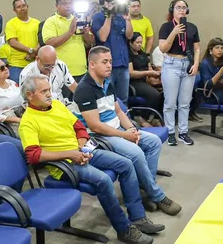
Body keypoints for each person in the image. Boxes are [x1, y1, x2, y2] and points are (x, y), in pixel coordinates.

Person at [20, 75, 161, 244]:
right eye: (44, 91)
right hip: (65, 165)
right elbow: (34, 156)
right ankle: (124, 229)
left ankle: (138, 217)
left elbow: (79, 127)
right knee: (103, 180)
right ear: (29, 95)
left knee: (126, 164)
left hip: (82, 152)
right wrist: (71, 154)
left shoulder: (56, 105)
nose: (49, 94)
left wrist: (81, 147)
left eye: (49, 90)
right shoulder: (28, 122)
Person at [76, 47, 180, 215]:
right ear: (92, 64)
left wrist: (132, 129)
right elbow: (95, 126)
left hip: (117, 130)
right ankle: (156, 195)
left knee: (152, 142)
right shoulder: (84, 89)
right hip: (99, 137)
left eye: (110, 61)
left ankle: (145, 190)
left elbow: (118, 111)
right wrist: (125, 135)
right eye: (105, 62)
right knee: (136, 153)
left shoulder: (107, 82)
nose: (110, 65)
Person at [158, 0, 200, 146]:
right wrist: (174, 33)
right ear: (172, 10)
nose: (181, 10)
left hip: (187, 64)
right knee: (170, 102)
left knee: (185, 102)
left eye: (184, 8)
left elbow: (197, 48)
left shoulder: (192, 27)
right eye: (178, 7)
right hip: (171, 64)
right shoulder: (166, 27)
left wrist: (196, 64)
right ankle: (170, 132)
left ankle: (183, 132)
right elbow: (163, 48)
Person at [90, 0, 134, 106]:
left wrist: (128, 20)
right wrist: (108, 16)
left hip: (123, 63)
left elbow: (129, 36)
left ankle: (124, 122)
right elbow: (102, 37)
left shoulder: (121, 16)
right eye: (109, 0)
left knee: (123, 99)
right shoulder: (98, 17)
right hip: (107, 65)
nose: (113, 3)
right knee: (108, 99)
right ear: (103, 2)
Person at [41, 0, 88, 77]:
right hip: (61, 71)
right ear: (56, 6)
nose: (68, 6)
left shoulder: (78, 19)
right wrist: (70, 32)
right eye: (64, 3)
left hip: (81, 69)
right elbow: (49, 43)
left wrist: (86, 33)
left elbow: (90, 42)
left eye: (70, 3)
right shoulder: (51, 21)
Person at [2, 0, 40, 81]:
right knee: (17, 92)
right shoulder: (11, 24)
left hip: (35, 64)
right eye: (19, 7)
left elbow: (41, 40)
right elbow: (13, 42)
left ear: (27, 6)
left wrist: (34, 52)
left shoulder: (37, 23)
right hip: (17, 65)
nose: (22, 8)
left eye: (24, 5)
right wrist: (30, 50)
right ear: (14, 10)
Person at [128, 34, 163, 119]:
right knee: (154, 95)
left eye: (141, 42)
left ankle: (157, 117)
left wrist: (154, 72)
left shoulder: (142, 53)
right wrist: (147, 73)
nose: (140, 44)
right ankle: (144, 117)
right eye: (137, 42)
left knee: (165, 93)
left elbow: (149, 66)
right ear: (130, 43)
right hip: (136, 81)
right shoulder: (128, 55)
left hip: (147, 79)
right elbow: (131, 73)